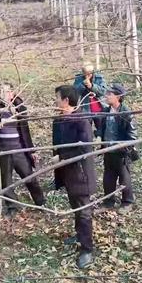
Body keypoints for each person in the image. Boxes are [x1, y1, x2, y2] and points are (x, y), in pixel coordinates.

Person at [52, 85, 97, 269]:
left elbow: (84, 148)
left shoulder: (81, 120)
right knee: (75, 207)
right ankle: (79, 235)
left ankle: (87, 249)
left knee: (84, 211)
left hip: (80, 173)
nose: (54, 101)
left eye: (57, 97)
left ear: (66, 100)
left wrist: (61, 157)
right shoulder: (58, 120)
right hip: (67, 173)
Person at [0, 83, 45, 216]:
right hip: (3, 151)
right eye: (1, 91)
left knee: (29, 176)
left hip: (19, 149)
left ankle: (40, 202)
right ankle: (12, 207)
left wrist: (31, 150)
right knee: (6, 181)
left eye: (6, 92)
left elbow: (25, 132)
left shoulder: (19, 108)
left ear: (12, 93)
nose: (3, 94)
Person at [98, 83, 138, 211]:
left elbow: (132, 134)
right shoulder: (105, 111)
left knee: (124, 177)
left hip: (121, 152)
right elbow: (100, 128)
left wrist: (124, 147)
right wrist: (99, 137)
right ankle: (108, 202)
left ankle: (127, 202)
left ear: (118, 97)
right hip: (107, 150)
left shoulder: (126, 113)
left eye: (110, 94)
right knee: (108, 176)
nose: (107, 96)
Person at [73, 62, 108, 133]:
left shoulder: (99, 78)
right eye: (85, 73)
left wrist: (92, 86)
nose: (88, 75)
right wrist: (83, 84)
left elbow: (103, 91)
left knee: (102, 130)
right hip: (85, 109)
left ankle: (103, 142)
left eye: (89, 73)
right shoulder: (78, 79)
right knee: (86, 131)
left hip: (99, 108)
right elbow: (75, 92)